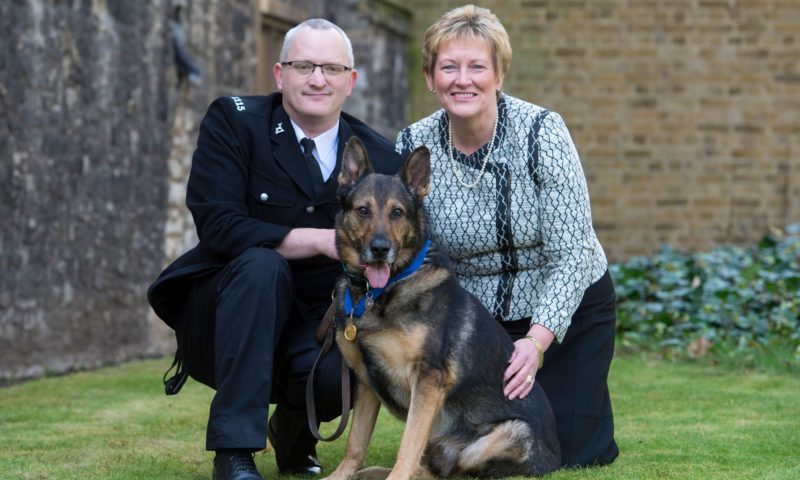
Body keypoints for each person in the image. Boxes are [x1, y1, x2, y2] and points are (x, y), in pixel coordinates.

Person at [148, 19, 402, 480]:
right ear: (280, 74)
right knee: (262, 265)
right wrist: (321, 240)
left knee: (348, 362)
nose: (318, 79)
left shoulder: (381, 159)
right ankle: (234, 453)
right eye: (303, 66)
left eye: (331, 68)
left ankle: (292, 434)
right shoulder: (234, 121)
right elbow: (217, 224)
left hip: (319, 319)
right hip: (229, 310)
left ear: (350, 81)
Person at [396, 5, 619, 468]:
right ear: (429, 78)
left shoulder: (542, 132)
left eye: (477, 67)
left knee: (563, 451)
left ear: (499, 75)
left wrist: (536, 342)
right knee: (479, 446)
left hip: (563, 309)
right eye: (449, 67)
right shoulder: (412, 145)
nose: (463, 80)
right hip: (478, 324)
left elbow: (573, 254)